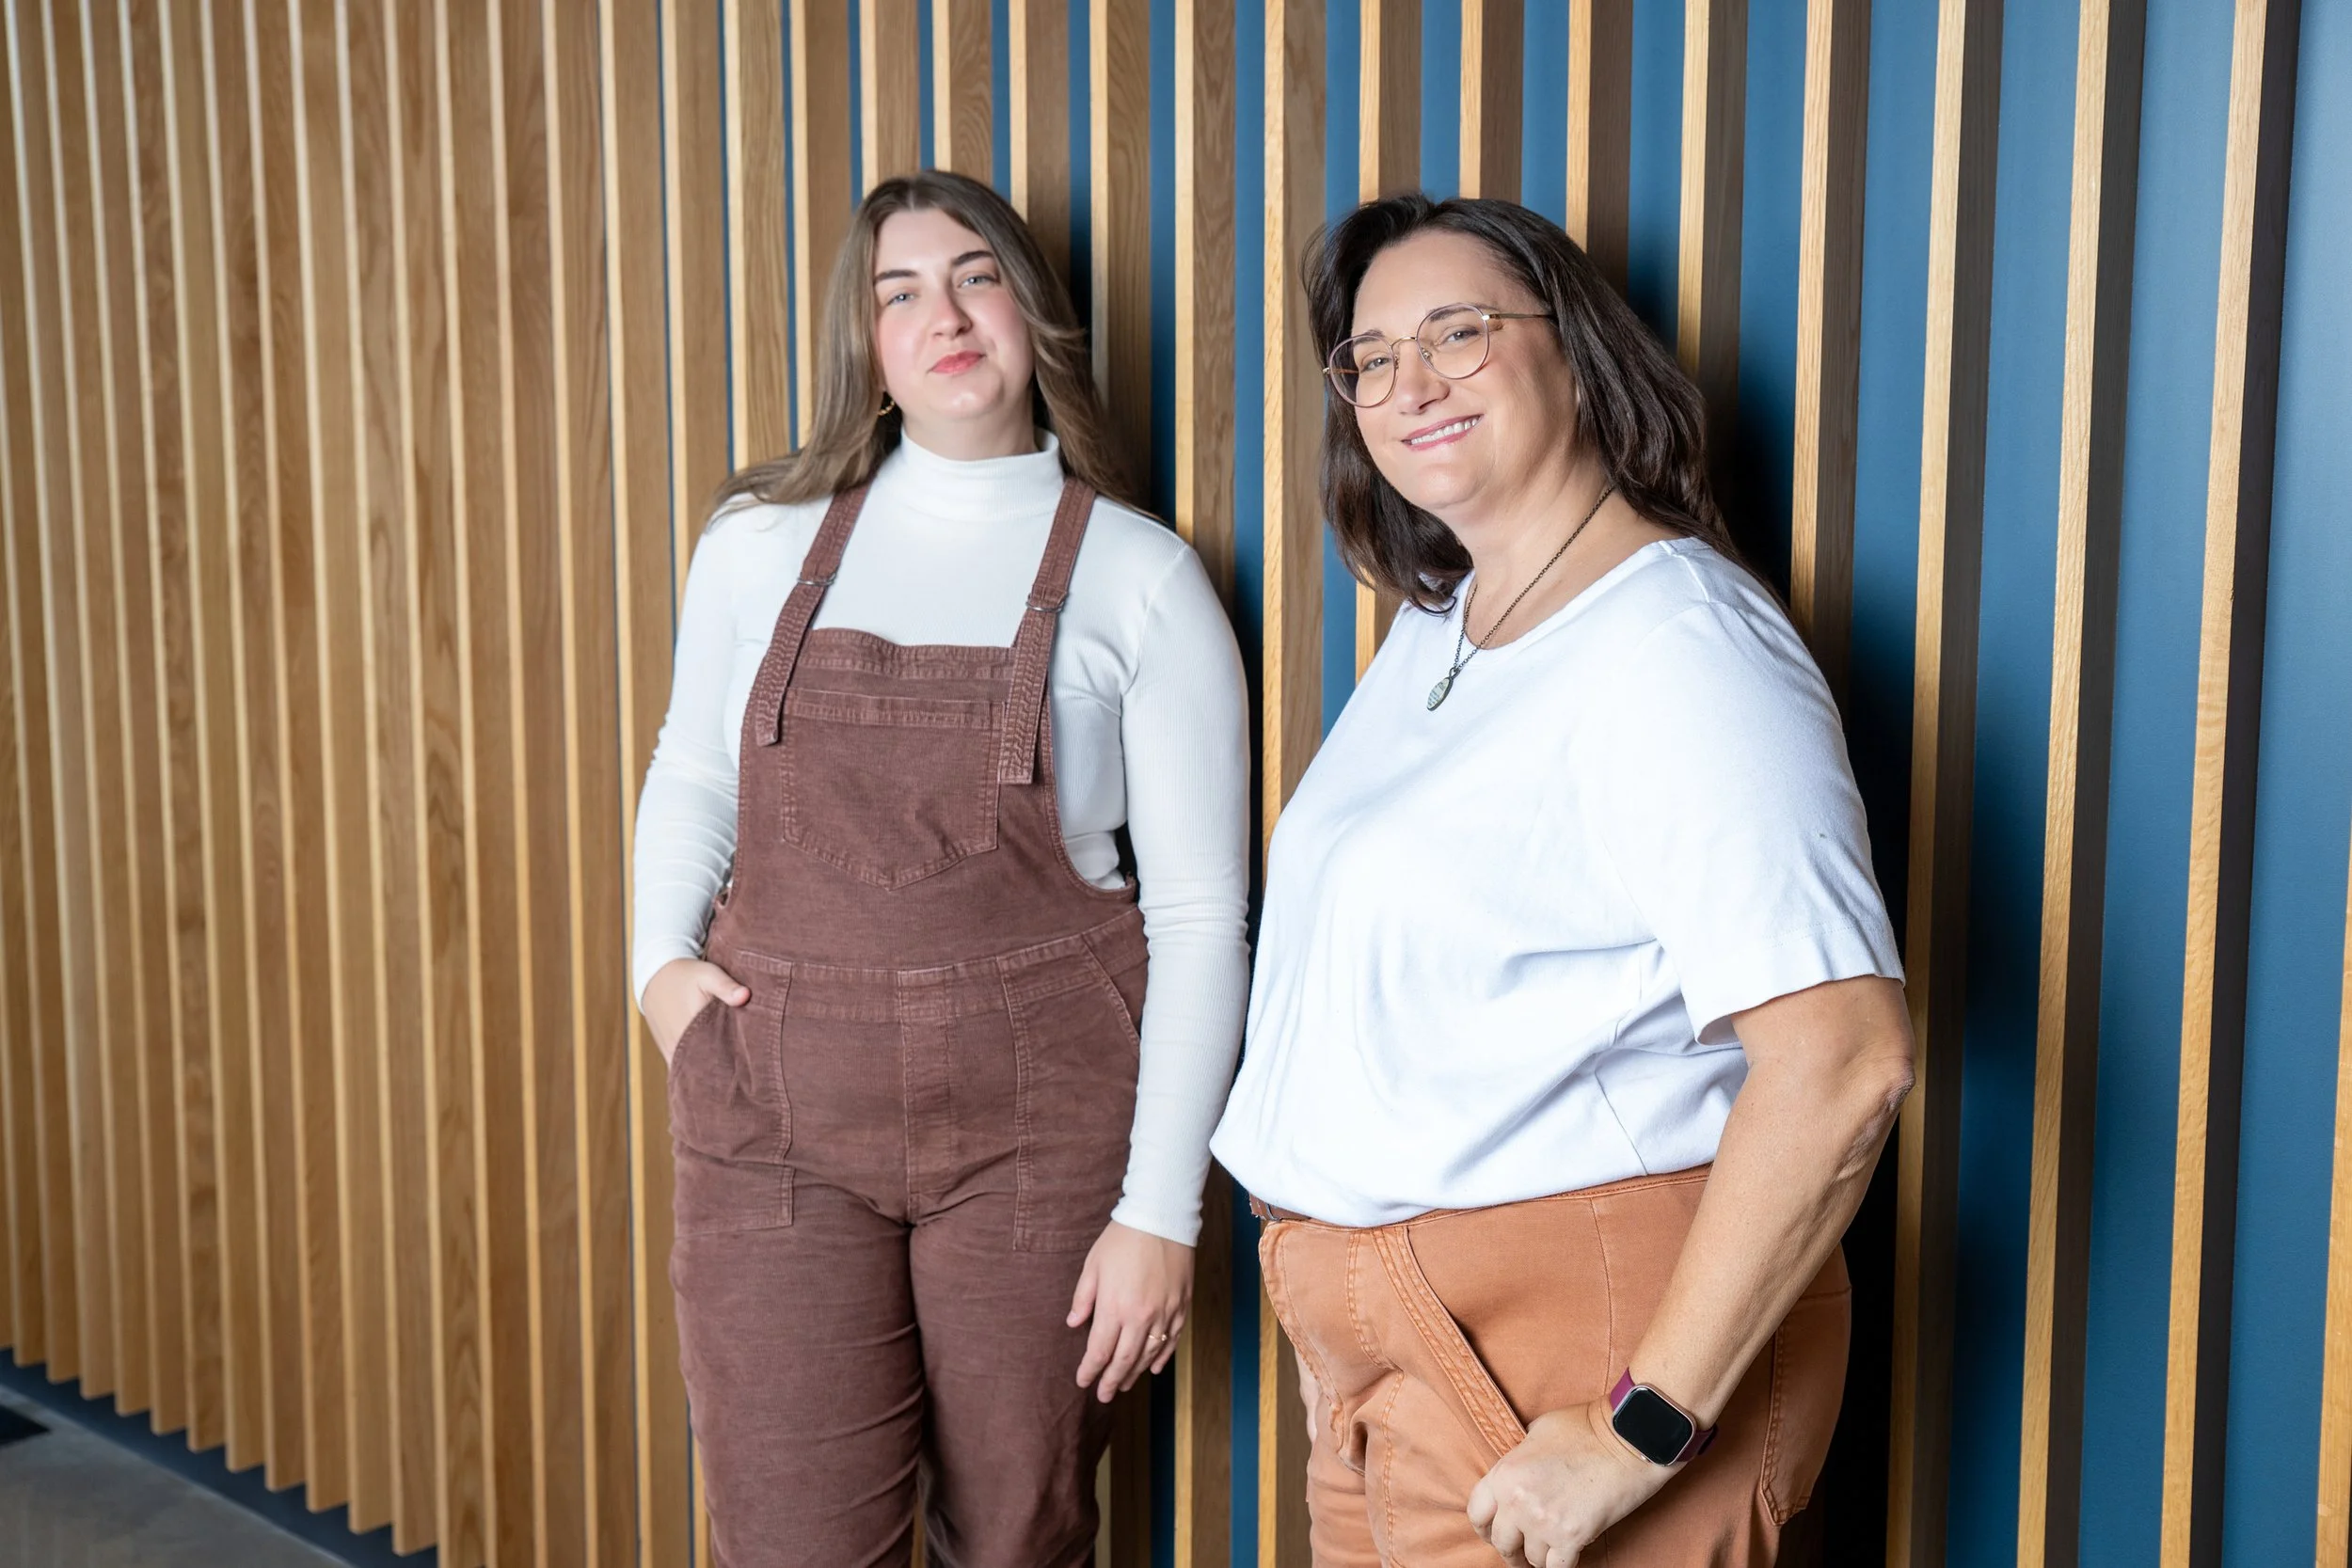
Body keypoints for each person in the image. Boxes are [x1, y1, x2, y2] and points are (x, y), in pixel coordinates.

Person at [1210, 193, 1915, 1568]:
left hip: (1575, 1351)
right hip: (1399, 1362)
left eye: (1458, 333)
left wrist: (1641, 1425)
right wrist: (1339, 1308)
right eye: (1370, 357)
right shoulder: (1444, 621)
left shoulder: (1678, 643)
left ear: (1577, 351)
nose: (1410, 383)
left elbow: (1844, 1058)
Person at [631, 168, 1250, 1568]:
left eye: (975, 275)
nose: (943, 314)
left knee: (1018, 1535)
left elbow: (1205, 915)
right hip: (773, 1116)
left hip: (1044, 1123)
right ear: (868, 341)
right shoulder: (756, 546)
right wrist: (659, 978)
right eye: (898, 291)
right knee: (788, 1539)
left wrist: (1162, 1209)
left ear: (1032, 311)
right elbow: (691, 771)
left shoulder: (1142, 580)